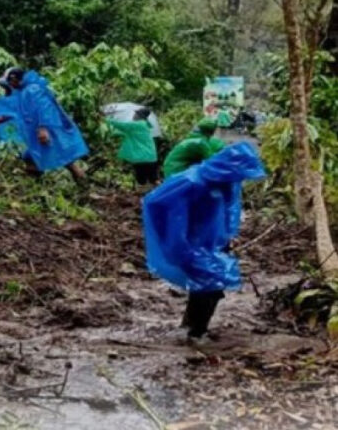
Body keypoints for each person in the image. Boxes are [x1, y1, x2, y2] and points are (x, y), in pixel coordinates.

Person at [142, 142, 266, 343]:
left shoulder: (227, 182)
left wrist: (227, 236)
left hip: (213, 243)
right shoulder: (192, 181)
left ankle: (189, 326)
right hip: (191, 244)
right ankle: (197, 334)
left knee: (207, 286)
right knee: (210, 286)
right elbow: (157, 203)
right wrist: (179, 243)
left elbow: (229, 210)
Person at [0, 68, 89, 181]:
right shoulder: (23, 91)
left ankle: (81, 179)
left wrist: (43, 128)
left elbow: (44, 107)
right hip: (36, 130)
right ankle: (38, 181)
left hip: (45, 129)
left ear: (14, 80)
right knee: (41, 156)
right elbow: (14, 105)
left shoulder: (33, 89)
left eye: (9, 82)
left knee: (60, 156)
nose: (9, 86)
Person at [107, 107, 159, 185]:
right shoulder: (145, 125)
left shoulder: (137, 124)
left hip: (141, 158)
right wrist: (113, 133)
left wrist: (107, 119)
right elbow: (127, 133)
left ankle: (145, 195)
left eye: (136, 114)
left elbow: (121, 126)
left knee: (142, 181)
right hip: (151, 157)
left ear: (140, 116)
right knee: (153, 180)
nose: (134, 115)